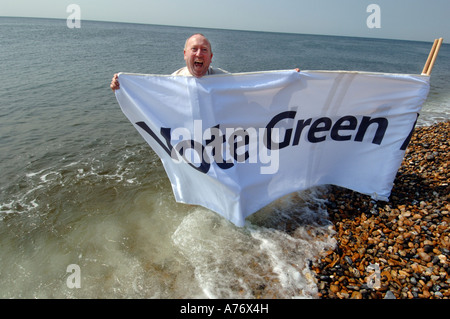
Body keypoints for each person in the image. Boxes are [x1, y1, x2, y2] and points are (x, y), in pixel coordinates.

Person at [110, 33, 299, 90]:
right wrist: (122, 87)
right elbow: (148, 95)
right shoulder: (173, 80)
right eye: (194, 49)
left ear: (210, 57)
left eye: (204, 50)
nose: (199, 53)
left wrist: (287, 80)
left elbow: (254, 87)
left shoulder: (223, 78)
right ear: (185, 54)